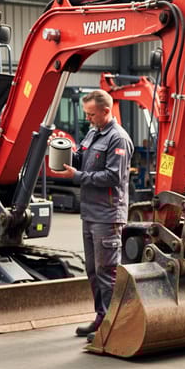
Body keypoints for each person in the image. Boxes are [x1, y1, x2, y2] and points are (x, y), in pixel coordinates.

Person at [53, 89, 134, 339]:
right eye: (86, 114)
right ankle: (101, 317)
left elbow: (113, 176)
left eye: (91, 114)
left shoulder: (118, 139)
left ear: (106, 111)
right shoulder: (93, 132)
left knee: (107, 272)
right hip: (90, 214)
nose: (88, 118)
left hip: (107, 216)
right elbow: (82, 158)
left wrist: (77, 177)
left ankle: (113, 324)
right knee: (92, 270)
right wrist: (62, 149)